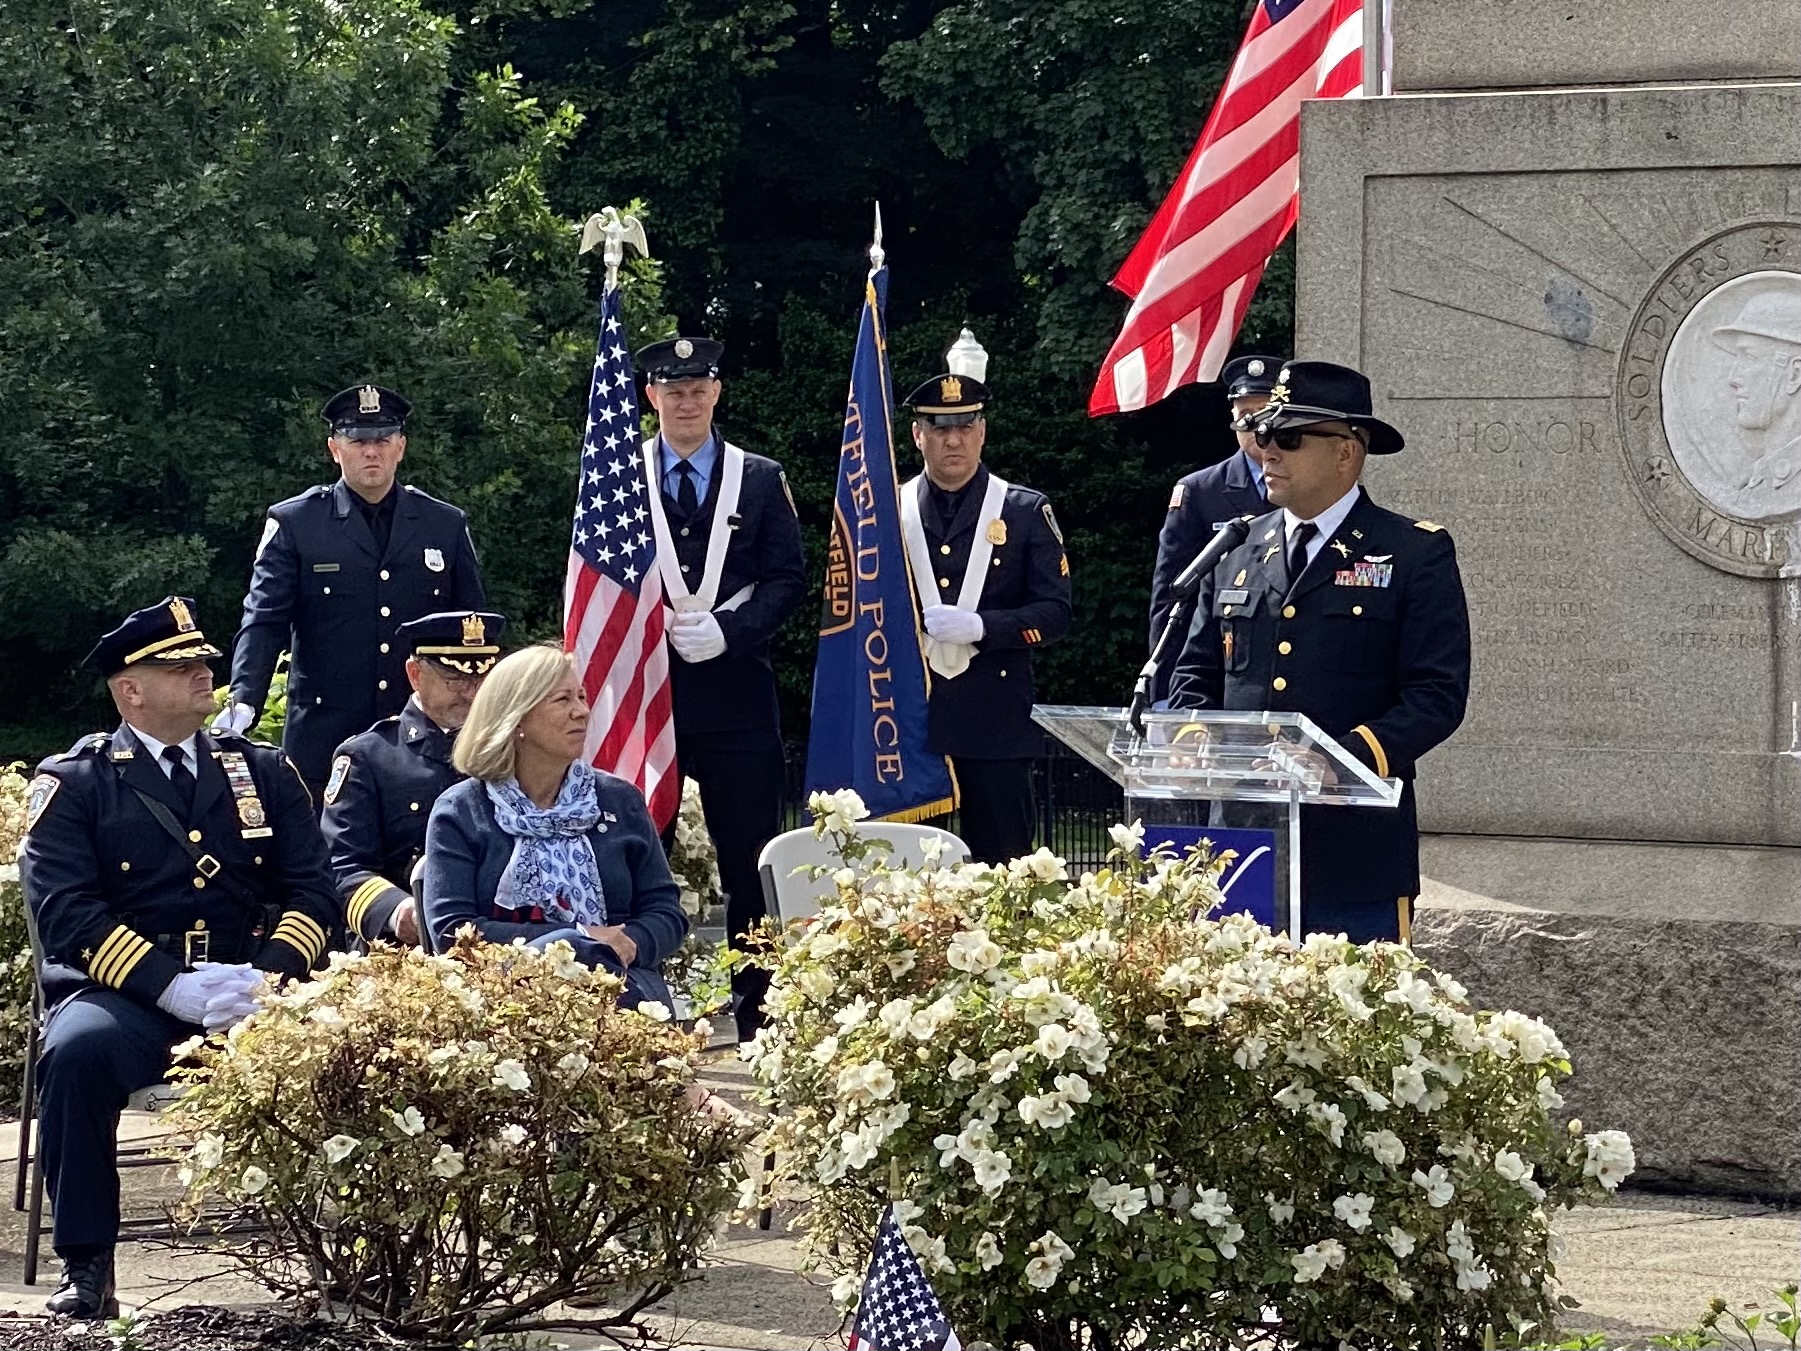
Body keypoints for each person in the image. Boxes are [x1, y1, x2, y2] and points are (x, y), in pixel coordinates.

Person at [19, 598, 339, 1317]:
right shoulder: (77, 782)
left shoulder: (262, 770)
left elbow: (314, 889)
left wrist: (269, 974)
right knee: (76, 1051)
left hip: (253, 988)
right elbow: (67, 914)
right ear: (130, 690)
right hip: (129, 997)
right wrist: (173, 989)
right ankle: (88, 1266)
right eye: (180, 665)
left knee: (363, 1049)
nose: (203, 673)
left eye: (202, 661)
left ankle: (358, 1258)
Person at [1167, 360, 1471, 943]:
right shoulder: (1235, 545)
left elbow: (1435, 696)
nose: (1266, 451)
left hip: (1352, 852)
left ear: (1346, 453)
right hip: (1238, 850)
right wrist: (1192, 736)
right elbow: (1195, 670)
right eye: (1261, 434)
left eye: (1288, 436)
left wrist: (1338, 757)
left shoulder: (1411, 553)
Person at [633, 335, 807, 1036]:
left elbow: (787, 578)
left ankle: (758, 1012)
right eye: (671, 389)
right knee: (638, 852)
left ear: (716, 391)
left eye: (697, 387)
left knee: (749, 861)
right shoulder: (620, 476)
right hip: (647, 695)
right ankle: (638, 1005)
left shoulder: (759, 478)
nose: (685, 400)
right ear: (651, 396)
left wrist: (731, 631)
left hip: (736, 690)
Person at [217, 384, 486, 801]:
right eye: (357, 441)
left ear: (401, 447)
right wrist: (244, 701)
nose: (371, 452)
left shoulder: (443, 525)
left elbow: (471, 628)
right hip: (325, 736)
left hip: (421, 735)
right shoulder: (296, 523)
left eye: (382, 440)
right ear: (334, 448)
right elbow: (265, 620)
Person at [421, 645, 689, 1008]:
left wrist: (631, 942)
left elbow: (667, 913)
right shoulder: (462, 811)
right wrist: (574, 942)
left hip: (622, 992)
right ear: (516, 719)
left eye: (581, 696)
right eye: (562, 700)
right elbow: (453, 932)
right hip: (503, 1002)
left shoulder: (618, 800)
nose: (581, 711)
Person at [898, 339, 1072, 865]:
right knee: (910, 884)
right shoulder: (889, 510)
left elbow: (1055, 612)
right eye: (939, 428)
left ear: (982, 432)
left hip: (995, 721)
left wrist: (982, 626)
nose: (953, 440)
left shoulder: (1023, 510)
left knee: (1002, 874)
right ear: (918, 436)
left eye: (965, 427)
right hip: (910, 719)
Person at [321, 610, 505, 947]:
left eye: (483, 680)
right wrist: (398, 911)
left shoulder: (511, 750)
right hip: (404, 953)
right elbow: (341, 865)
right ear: (416, 674)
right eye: (457, 679)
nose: (471, 693)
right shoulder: (369, 756)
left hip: (506, 937)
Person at [1147, 354, 1282, 699]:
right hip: (1215, 669)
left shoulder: (1306, 486)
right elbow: (1173, 596)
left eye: (1264, 415)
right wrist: (1165, 692)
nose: (1254, 427)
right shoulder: (1200, 491)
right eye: (1245, 416)